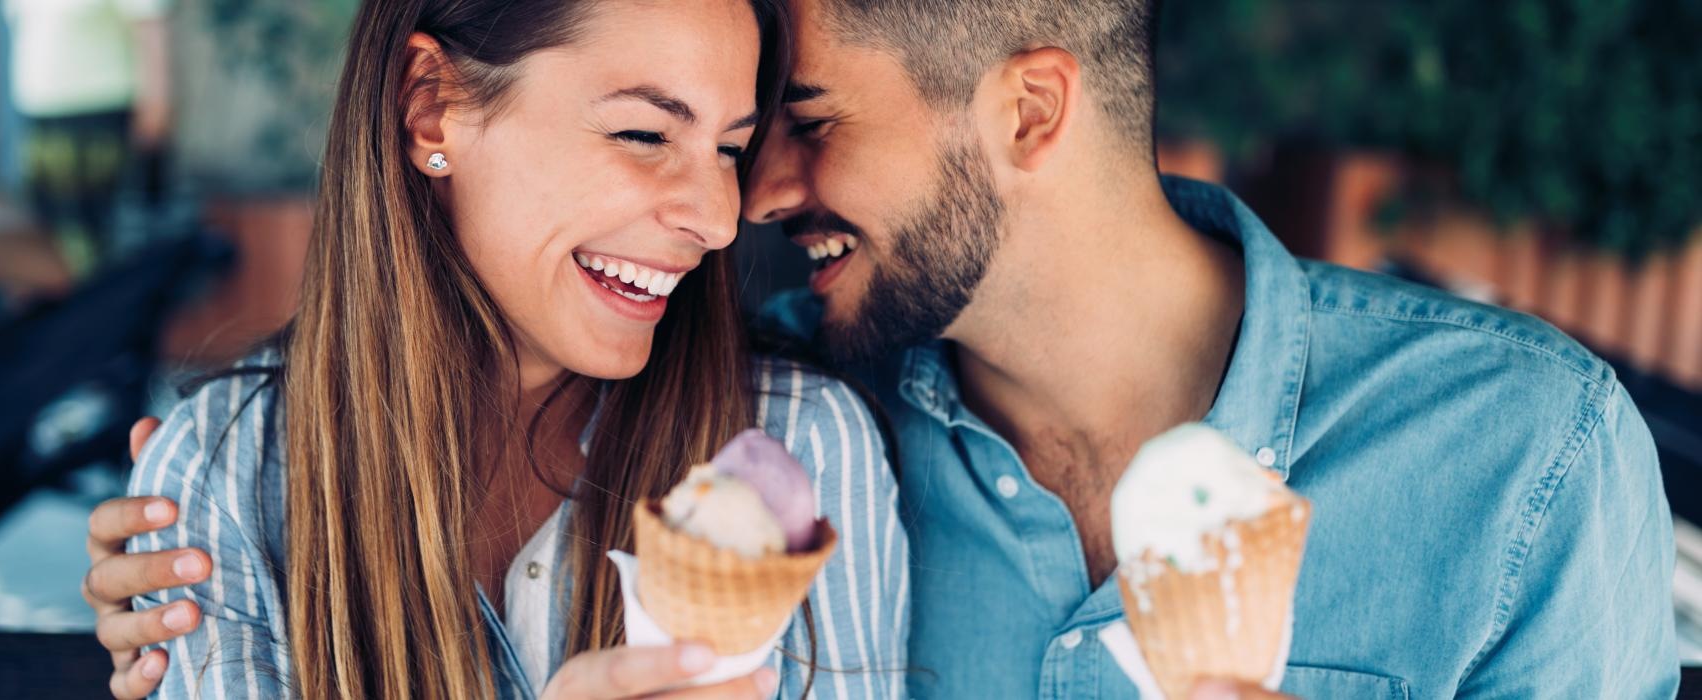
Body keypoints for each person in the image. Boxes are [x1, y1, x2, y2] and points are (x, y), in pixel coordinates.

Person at [86, 0, 1678, 697]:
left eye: (799, 127)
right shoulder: (795, 440)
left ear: (1028, 110)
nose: (741, 209)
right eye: (698, 137)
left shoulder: (1529, 460)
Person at [85, 0, 907, 698]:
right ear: (431, 107)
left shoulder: (801, 452)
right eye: (644, 134)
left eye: (729, 149)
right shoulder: (225, 476)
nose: (718, 219)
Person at [4, 0, 173, 277]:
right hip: (40, 119)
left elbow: (150, 24)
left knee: (105, 244)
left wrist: (156, 106)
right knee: (51, 237)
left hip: (100, 116)